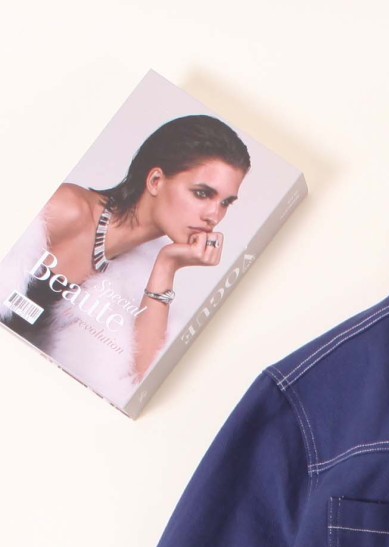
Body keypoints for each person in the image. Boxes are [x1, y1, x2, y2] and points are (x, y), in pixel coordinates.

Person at [0, 114, 250, 404]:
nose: (214, 216)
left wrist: (167, 265)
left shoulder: (141, 271)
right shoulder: (65, 210)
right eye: (202, 193)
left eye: (225, 203)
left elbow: (135, 380)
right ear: (155, 180)